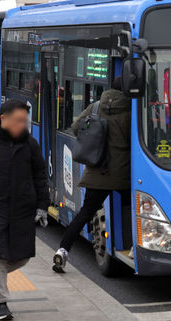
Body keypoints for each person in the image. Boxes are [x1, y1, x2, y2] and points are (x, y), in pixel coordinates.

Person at [0, 99, 48, 320]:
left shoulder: (30, 144)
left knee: (22, 256)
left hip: (22, 210)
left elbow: (40, 176)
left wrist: (42, 206)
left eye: (25, 121)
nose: (22, 125)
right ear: (3, 119)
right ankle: (1, 305)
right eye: (18, 120)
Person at [53, 77, 130, 273]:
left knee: (85, 213)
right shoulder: (131, 109)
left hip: (96, 172)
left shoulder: (95, 107)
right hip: (123, 175)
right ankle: (132, 248)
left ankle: (62, 251)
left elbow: (76, 127)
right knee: (132, 209)